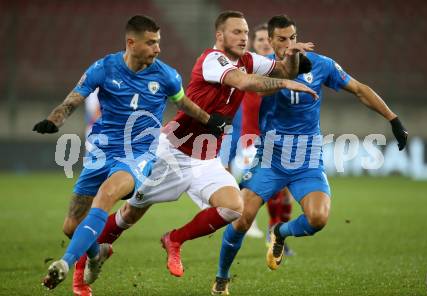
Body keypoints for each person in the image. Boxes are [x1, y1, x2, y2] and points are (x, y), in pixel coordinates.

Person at [85, 10, 317, 286]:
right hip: (172, 151)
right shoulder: (212, 60)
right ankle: (92, 253)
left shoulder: (248, 60)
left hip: (206, 157)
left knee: (234, 207)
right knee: (131, 212)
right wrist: (285, 82)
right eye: (236, 32)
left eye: (245, 32)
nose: (243, 37)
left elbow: (282, 70)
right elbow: (245, 82)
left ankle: (174, 240)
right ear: (220, 35)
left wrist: (289, 54)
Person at [211, 15, 408, 295]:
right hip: (271, 157)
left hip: (307, 159)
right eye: (281, 39)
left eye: (292, 37)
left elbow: (359, 89)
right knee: (241, 219)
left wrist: (393, 119)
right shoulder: (263, 68)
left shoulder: (321, 65)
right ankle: (222, 278)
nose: (289, 43)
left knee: (318, 219)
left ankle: (279, 232)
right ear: (269, 41)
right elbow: (239, 80)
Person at [36, 15, 227, 291]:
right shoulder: (104, 67)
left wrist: (210, 121)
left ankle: (64, 263)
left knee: (107, 194)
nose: (157, 48)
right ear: (131, 43)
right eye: (151, 43)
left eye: (158, 42)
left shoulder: (167, 75)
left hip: (138, 154)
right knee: (71, 226)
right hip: (101, 153)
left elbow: (183, 103)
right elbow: (74, 98)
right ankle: (96, 254)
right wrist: (54, 121)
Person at [224, 24, 296, 255]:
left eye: (268, 39)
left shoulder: (281, 68)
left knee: (281, 193)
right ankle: (246, 234)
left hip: (274, 139)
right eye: (260, 39)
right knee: (257, 193)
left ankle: (273, 234)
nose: (264, 43)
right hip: (250, 140)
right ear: (254, 43)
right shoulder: (247, 67)